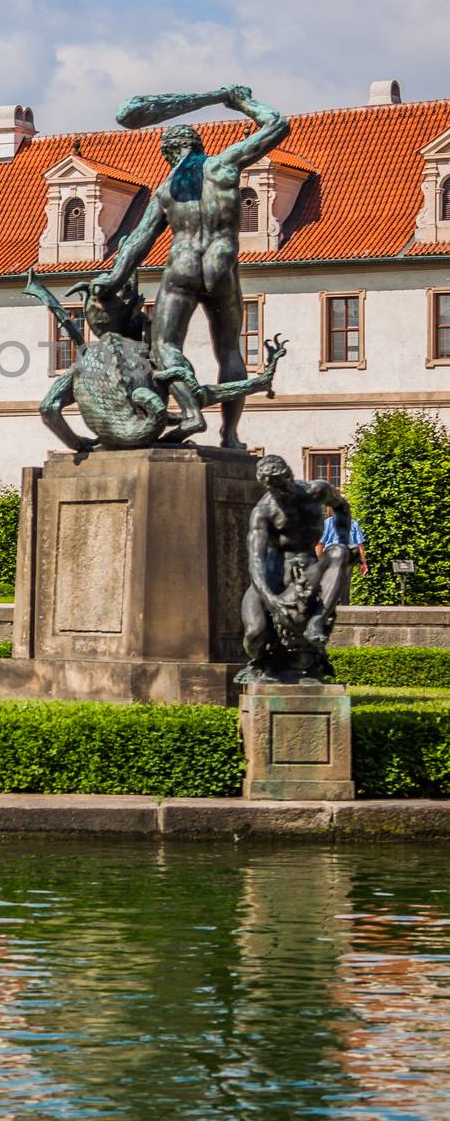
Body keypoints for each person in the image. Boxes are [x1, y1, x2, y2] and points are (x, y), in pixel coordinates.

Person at [93, 84, 289, 450]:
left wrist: (114, 277)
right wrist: (242, 103)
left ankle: (188, 408)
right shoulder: (223, 165)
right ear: (198, 147)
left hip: (182, 266)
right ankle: (229, 436)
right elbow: (277, 124)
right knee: (229, 352)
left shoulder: (166, 190)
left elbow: (137, 241)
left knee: (166, 344)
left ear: (168, 155)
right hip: (222, 266)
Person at [238, 455, 352, 683]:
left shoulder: (317, 491)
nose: (278, 493)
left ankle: (316, 622)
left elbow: (341, 506)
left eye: (281, 485)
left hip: (308, 567)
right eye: (272, 488)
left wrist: (342, 538)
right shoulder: (263, 512)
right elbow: (255, 561)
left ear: (289, 475)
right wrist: (271, 598)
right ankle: (259, 663)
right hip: (272, 576)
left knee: (339, 552)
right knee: (254, 633)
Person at [317, 511, 368, 578]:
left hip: (331, 559)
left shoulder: (327, 523)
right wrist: (363, 563)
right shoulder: (353, 523)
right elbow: (360, 546)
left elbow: (320, 544)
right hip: (347, 560)